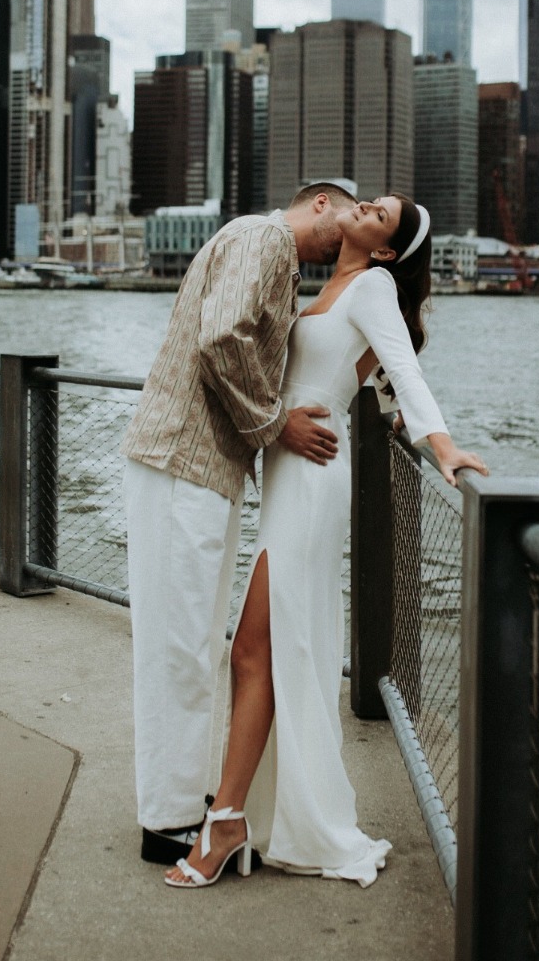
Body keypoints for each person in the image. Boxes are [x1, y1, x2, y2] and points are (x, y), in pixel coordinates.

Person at [164, 194, 489, 889]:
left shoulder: (370, 286)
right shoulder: (326, 284)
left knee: (256, 647)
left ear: (384, 251)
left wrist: (444, 444)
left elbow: (404, 366)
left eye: (380, 214)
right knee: (266, 650)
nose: (366, 206)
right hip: (289, 471)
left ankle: (227, 821)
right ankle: (240, 812)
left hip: (311, 480)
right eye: (370, 201)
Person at [121, 182, 360, 866]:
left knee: (192, 640)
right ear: (321, 203)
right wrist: (274, 424)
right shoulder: (266, 240)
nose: (346, 239)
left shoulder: (272, 254)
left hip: (201, 468)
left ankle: (178, 799)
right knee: (180, 646)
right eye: (346, 219)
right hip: (181, 464)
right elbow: (220, 336)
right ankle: (166, 822)